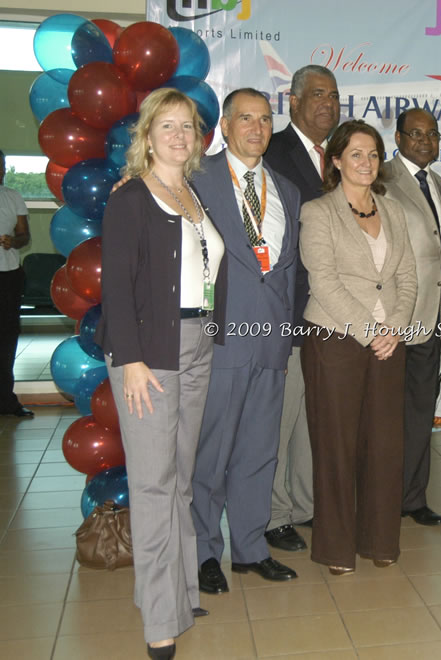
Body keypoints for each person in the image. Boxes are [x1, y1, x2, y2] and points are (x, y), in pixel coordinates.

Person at [96, 88, 225, 660]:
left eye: (188, 126)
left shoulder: (191, 193)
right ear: (147, 136)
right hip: (149, 350)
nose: (179, 135)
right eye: (167, 126)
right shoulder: (132, 198)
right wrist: (130, 359)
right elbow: (116, 288)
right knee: (152, 484)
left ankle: (179, 591)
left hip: (198, 344)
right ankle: (158, 621)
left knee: (179, 477)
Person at [191, 88, 300, 594]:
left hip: (272, 341)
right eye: (246, 119)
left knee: (259, 450)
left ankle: (251, 548)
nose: (256, 128)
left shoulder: (286, 190)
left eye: (264, 119)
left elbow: (286, 274)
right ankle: (203, 552)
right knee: (211, 453)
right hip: (221, 339)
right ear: (227, 126)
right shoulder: (196, 178)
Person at [299, 120, 416, 574]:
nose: (366, 163)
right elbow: (323, 281)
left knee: (385, 446)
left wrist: (397, 327)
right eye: (355, 154)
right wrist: (371, 331)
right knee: (336, 447)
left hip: (391, 343)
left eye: (372, 154)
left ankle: (380, 540)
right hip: (336, 340)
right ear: (336, 161)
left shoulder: (395, 211)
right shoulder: (319, 212)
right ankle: (335, 549)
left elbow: (408, 277)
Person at [262, 64, 340, 552]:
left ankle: (309, 506)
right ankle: (273, 514)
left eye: (333, 95)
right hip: (288, 312)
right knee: (280, 419)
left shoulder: (347, 155)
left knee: (316, 419)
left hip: (334, 317)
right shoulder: (270, 151)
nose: (327, 103)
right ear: (291, 101)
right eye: (316, 94)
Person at [381, 108, 441, 527]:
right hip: (392, 319)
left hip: (429, 317)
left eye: (433, 134)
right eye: (417, 134)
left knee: (421, 412)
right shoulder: (382, 180)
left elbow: (438, 248)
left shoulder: (438, 183)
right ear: (399, 138)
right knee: (385, 415)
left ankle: (413, 497)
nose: (426, 141)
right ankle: (381, 497)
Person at [0, 149, 32, 418]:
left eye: (1, 166)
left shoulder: (13, 197)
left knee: (8, 339)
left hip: (9, 275)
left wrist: (14, 241)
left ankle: (6, 401)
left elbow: (24, 235)